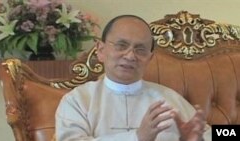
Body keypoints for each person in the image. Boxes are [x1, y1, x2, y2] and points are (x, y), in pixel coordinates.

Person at [55, 15, 212, 141]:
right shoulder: (77, 100)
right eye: (121, 46)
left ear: (150, 59)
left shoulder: (168, 99)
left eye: (140, 49)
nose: (130, 56)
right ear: (101, 50)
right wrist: (137, 137)